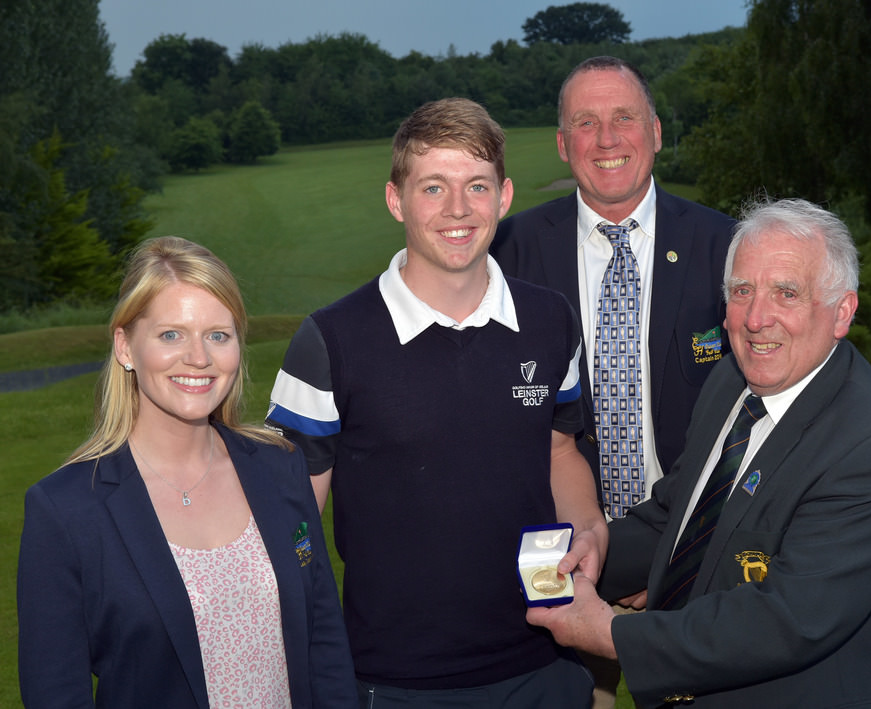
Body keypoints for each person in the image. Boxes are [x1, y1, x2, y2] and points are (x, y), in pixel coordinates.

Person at [526, 198, 871, 708]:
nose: (756, 318)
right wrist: (591, 553)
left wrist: (611, 634)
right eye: (741, 291)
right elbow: (675, 517)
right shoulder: (731, 381)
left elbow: (787, 621)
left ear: (842, 312)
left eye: (786, 293)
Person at [265, 98, 607, 707]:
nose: (457, 209)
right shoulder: (329, 341)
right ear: (396, 200)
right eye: (433, 188)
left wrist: (589, 527)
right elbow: (293, 520)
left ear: (503, 198)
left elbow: (559, 450)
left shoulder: (551, 320)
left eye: (476, 186)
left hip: (544, 662)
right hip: (394, 681)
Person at [17, 236, 355, 708]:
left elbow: (325, 647)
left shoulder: (281, 468)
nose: (199, 357)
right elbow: (56, 692)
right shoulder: (67, 511)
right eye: (171, 334)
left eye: (218, 335)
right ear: (126, 347)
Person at [491, 56, 736, 519]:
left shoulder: (727, 248)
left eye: (625, 117)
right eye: (587, 123)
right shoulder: (505, 256)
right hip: (557, 545)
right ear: (563, 144)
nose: (607, 138)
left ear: (657, 132)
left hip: (691, 541)